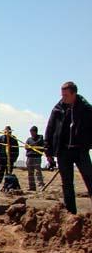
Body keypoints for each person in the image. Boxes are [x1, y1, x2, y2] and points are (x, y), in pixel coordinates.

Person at [45, 81, 92, 214]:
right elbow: (50, 129)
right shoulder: (58, 109)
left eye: (66, 95)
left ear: (74, 94)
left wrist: (88, 144)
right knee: (67, 183)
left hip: (80, 150)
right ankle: (71, 214)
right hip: (63, 150)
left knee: (89, 178)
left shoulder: (86, 109)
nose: (63, 98)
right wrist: (48, 150)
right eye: (62, 95)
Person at [0, 126, 20, 191]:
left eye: (9, 132)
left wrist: (15, 158)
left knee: (9, 173)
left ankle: (7, 186)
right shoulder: (1, 138)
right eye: (6, 131)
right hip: (2, 158)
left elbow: (16, 149)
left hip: (10, 159)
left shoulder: (14, 139)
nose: (7, 133)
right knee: (0, 172)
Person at [24, 126, 46, 191]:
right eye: (30, 132)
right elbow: (26, 146)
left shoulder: (40, 138)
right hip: (29, 157)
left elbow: (41, 145)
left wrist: (32, 146)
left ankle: (41, 186)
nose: (31, 133)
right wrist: (30, 147)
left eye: (32, 132)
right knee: (30, 173)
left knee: (38, 172)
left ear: (35, 131)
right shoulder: (29, 139)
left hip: (37, 157)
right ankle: (32, 187)